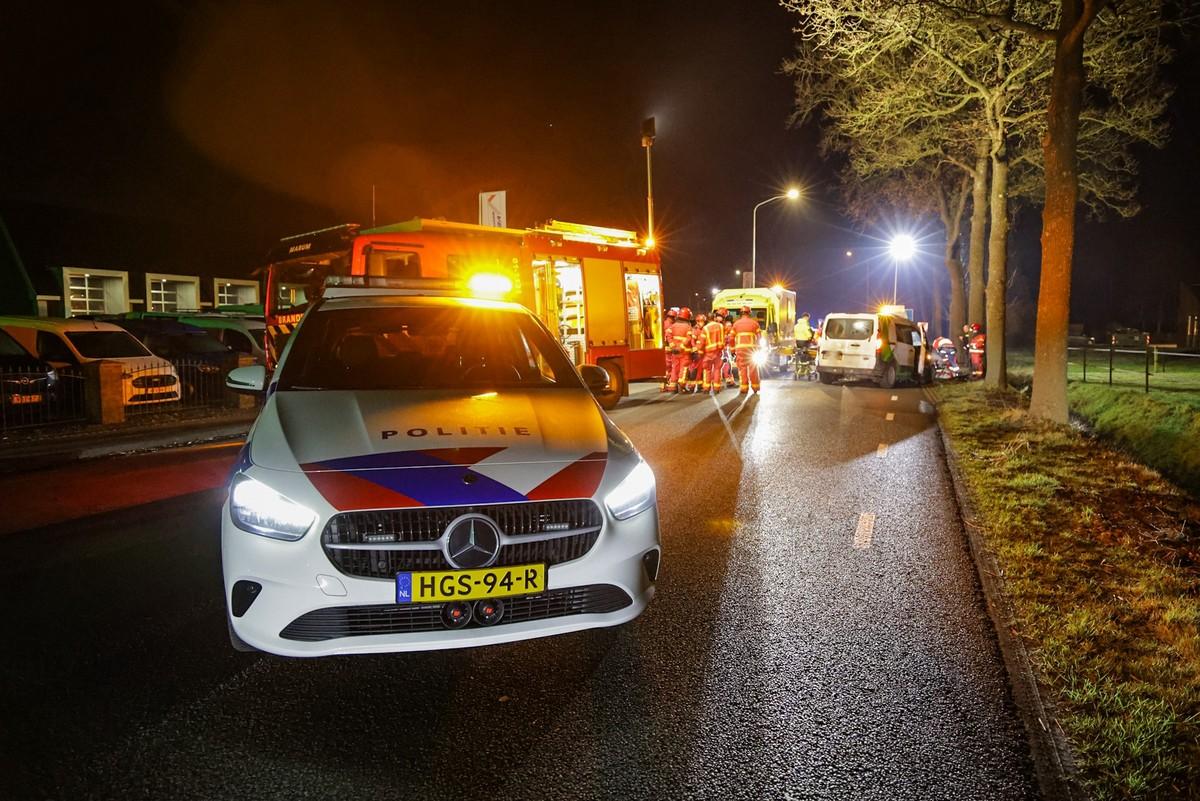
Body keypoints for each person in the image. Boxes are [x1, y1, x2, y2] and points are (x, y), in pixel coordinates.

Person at [731, 305, 762, 394]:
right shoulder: (755, 323)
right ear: (749, 313)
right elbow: (759, 337)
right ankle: (755, 387)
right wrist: (759, 348)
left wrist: (733, 350)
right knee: (753, 368)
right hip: (752, 350)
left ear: (741, 313)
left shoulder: (736, 324)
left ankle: (744, 388)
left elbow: (731, 338)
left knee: (742, 369)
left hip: (740, 350)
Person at [665, 307, 694, 392]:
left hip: (675, 352)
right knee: (683, 368)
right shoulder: (688, 327)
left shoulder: (673, 326)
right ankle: (682, 385)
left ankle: (673, 386)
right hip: (684, 352)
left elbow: (668, 336)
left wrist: (673, 347)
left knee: (674, 368)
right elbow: (689, 338)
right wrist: (680, 347)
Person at [700, 312, 726, 392]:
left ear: (708, 319)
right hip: (718, 352)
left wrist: (700, 352)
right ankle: (716, 388)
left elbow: (702, 342)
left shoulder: (705, 328)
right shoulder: (721, 326)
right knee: (717, 369)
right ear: (714, 318)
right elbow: (723, 338)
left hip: (708, 353)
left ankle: (706, 388)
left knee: (707, 370)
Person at [660, 308, 678, 391]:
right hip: (669, 348)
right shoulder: (671, 325)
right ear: (673, 317)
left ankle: (662, 386)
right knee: (670, 367)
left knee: (665, 368)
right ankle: (669, 385)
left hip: (663, 348)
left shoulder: (663, 323)